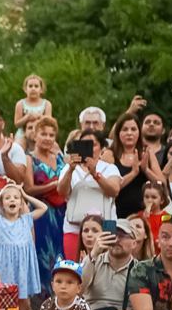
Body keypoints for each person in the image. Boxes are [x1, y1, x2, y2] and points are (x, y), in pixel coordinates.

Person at [57, 131, 121, 259]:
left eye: (93, 144)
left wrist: (95, 174)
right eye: (84, 144)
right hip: (74, 227)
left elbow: (114, 191)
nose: (89, 148)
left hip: (106, 225)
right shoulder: (68, 168)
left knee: (105, 265)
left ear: (102, 148)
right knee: (75, 267)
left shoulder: (110, 168)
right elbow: (61, 192)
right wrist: (70, 169)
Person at [24, 115, 67, 289]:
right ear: (35, 135)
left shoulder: (60, 158)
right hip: (40, 214)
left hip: (61, 214)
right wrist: (52, 186)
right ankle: (42, 303)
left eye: (51, 135)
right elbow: (28, 189)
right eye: (44, 134)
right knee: (41, 256)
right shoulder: (29, 158)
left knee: (61, 256)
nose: (48, 138)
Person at [81, 218, 138, 310]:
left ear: (134, 243)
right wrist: (93, 254)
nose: (116, 240)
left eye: (122, 236)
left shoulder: (140, 269)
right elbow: (79, 289)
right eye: (112, 235)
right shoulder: (93, 260)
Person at [104, 112, 163, 219]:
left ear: (139, 133)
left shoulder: (147, 153)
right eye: (125, 129)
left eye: (133, 129)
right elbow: (108, 188)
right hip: (115, 214)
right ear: (118, 133)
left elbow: (162, 183)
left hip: (144, 217)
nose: (129, 133)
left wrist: (146, 170)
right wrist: (133, 173)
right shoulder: (109, 154)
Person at [14, 74, 52, 145]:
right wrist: (27, 117)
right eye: (30, 86)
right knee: (18, 147)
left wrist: (40, 117)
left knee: (53, 148)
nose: (33, 88)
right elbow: (17, 124)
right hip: (23, 133)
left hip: (41, 133)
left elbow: (49, 122)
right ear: (25, 89)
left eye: (36, 86)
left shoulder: (47, 104)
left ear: (41, 89)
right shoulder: (20, 104)